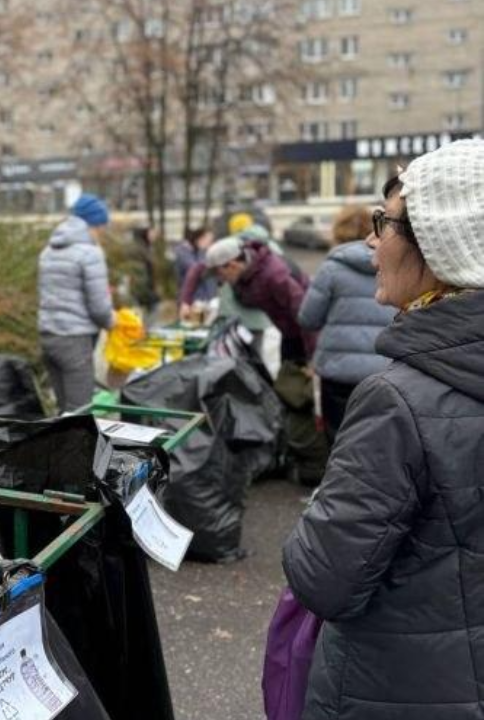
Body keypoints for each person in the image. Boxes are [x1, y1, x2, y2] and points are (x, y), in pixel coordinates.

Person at [283, 139, 484, 720]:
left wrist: (320, 508)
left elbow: (323, 578)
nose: (372, 241)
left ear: (440, 243)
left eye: (385, 222)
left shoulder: (397, 402)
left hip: (402, 690)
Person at [297, 205, 395, 443]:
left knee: (340, 439)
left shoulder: (331, 268)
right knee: (379, 441)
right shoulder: (393, 265)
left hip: (337, 370)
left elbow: (308, 319)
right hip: (384, 370)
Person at [37, 193, 115, 412]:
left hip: (48, 337)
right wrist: (112, 321)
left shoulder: (48, 251)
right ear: (93, 224)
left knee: (63, 410)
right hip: (75, 341)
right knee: (80, 412)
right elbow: (99, 308)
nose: (102, 232)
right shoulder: (90, 253)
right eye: (101, 227)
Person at [194, 235, 315, 363]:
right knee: (286, 370)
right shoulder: (243, 272)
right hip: (288, 331)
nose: (220, 280)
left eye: (219, 274)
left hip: (307, 333)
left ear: (233, 265)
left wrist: (313, 357)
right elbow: (197, 270)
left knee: (294, 373)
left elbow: (307, 315)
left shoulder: (275, 276)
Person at [173, 227, 217, 305]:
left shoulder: (197, 252)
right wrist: (203, 250)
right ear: (199, 239)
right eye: (209, 241)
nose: (211, 244)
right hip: (191, 301)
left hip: (204, 299)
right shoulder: (182, 252)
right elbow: (198, 270)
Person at [129, 225, 162, 322]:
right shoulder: (139, 249)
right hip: (142, 290)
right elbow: (140, 273)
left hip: (147, 288)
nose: (154, 236)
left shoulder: (147, 247)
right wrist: (146, 292)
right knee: (145, 318)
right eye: (151, 233)